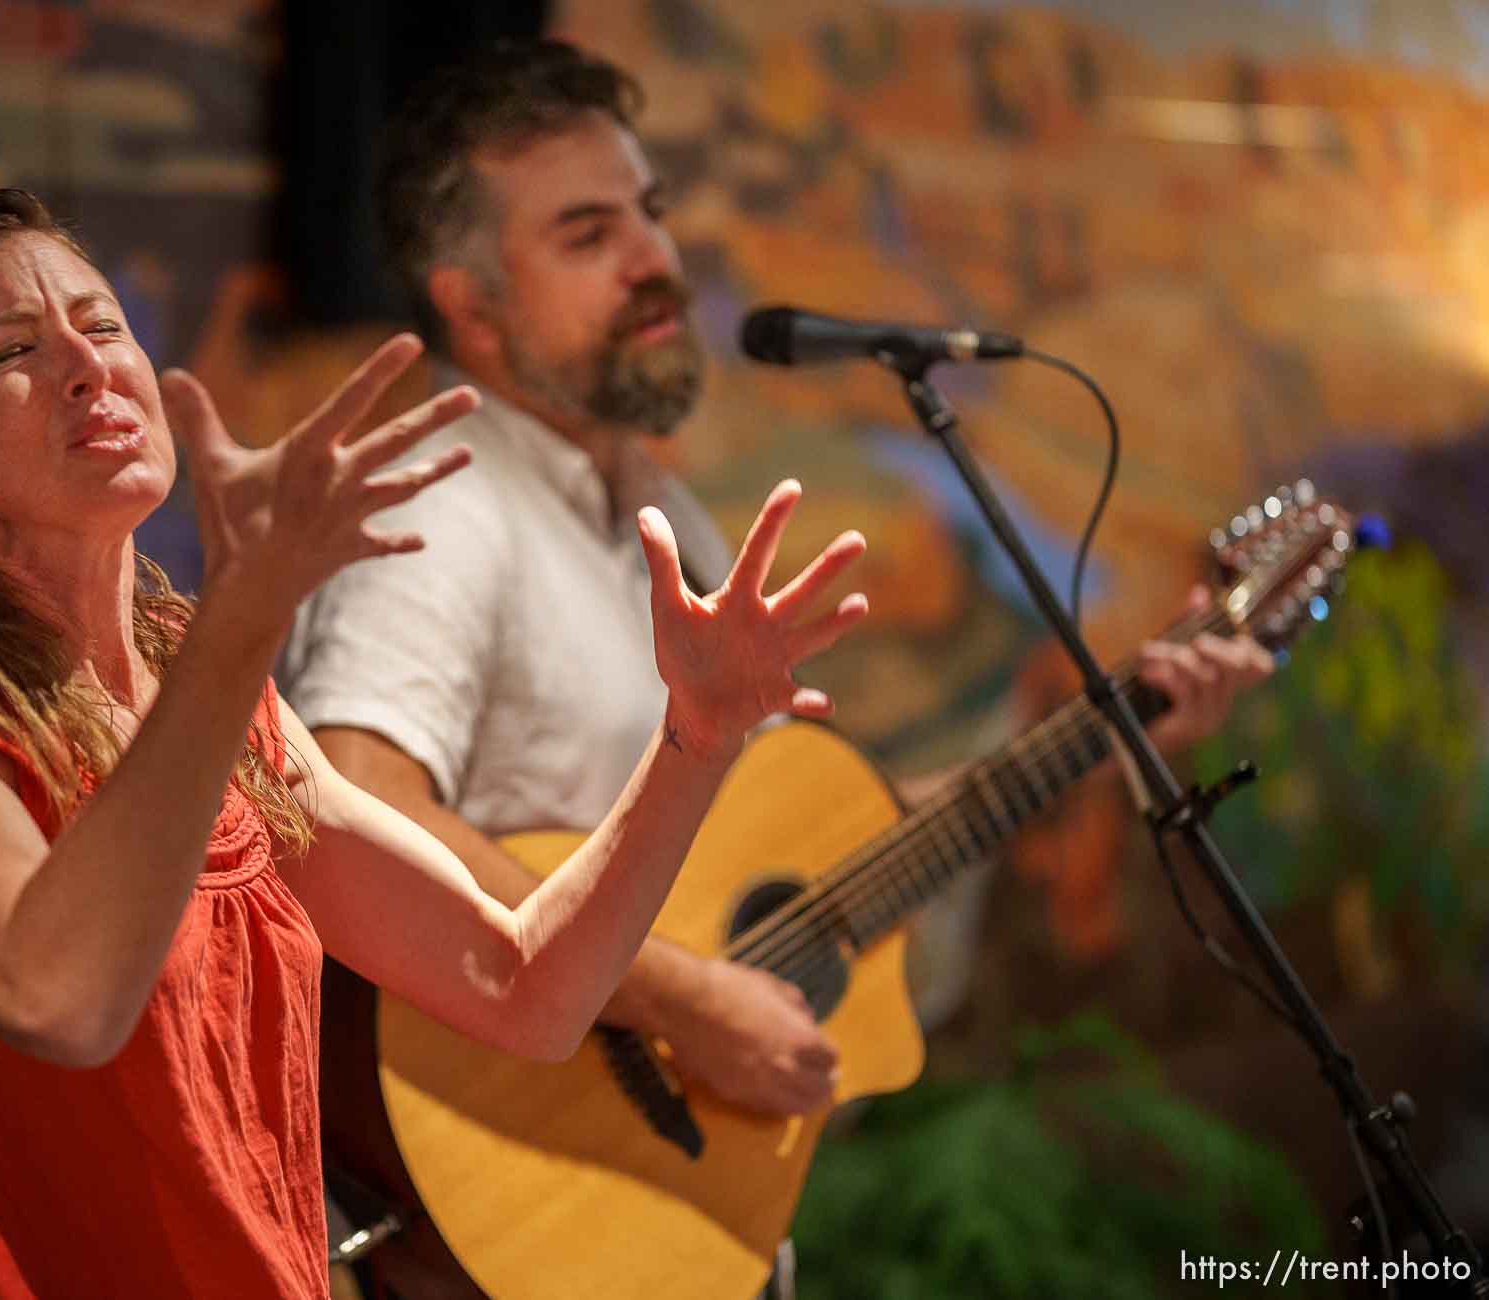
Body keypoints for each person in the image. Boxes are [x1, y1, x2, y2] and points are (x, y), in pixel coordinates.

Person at [0, 187, 867, 1298]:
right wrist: (243, 620)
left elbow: (526, 987)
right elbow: (58, 998)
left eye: (103, 325)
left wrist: (696, 739)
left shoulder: (204, 685)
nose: (86, 367)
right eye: (15, 353)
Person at [278, 38, 1275, 1299]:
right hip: (500, 1201)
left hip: (673, 1219)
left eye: (648, 212)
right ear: (469, 305)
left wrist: (1103, 729)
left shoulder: (654, 508)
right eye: (588, 235)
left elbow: (804, 843)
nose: (655, 259)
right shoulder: (447, 504)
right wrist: (687, 1003)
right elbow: (355, 815)